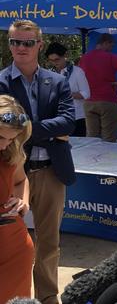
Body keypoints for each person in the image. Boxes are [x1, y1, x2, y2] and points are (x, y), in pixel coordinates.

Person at [0, 19, 76, 304]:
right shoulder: (0, 81)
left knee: (49, 241)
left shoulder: (57, 81)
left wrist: (24, 128)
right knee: (10, 242)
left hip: (51, 171)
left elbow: (69, 121)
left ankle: (47, 296)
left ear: (39, 45)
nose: (20, 47)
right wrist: (50, 132)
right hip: (9, 172)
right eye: (15, 42)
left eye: (27, 42)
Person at [0, 95, 33, 304]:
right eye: (1, 137)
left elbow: (21, 180)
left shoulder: (10, 152)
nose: (5, 146)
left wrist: (23, 201)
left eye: (11, 139)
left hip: (15, 247)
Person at [80, 33, 117, 142]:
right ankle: (107, 159)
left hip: (89, 102)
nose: (111, 48)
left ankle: (91, 159)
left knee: (91, 139)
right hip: (108, 100)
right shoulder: (109, 56)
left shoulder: (84, 58)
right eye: (111, 46)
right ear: (105, 43)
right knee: (109, 139)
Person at [45, 42, 90, 137]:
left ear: (65, 56)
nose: (54, 63)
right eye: (51, 60)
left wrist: (65, 94)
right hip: (56, 118)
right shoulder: (48, 74)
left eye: (57, 59)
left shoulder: (77, 72)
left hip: (76, 118)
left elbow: (86, 93)